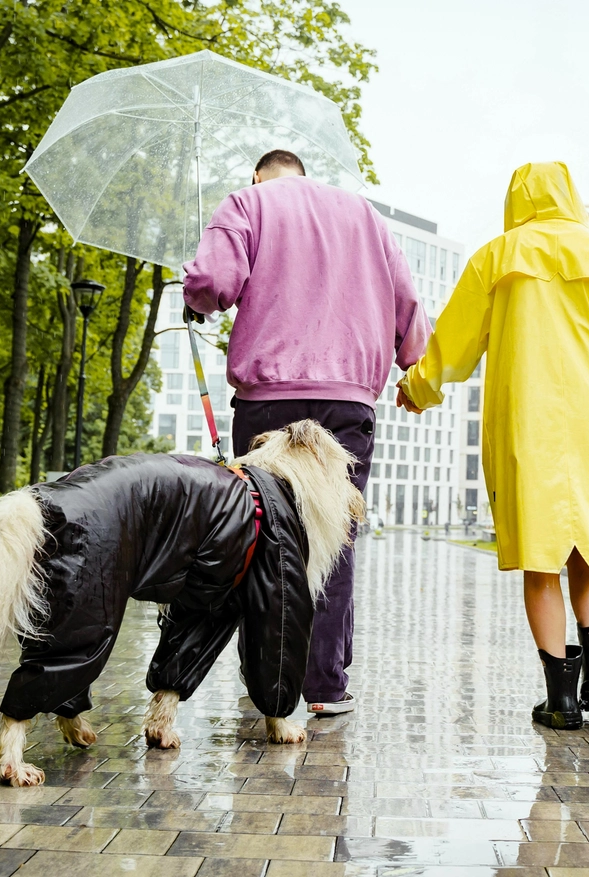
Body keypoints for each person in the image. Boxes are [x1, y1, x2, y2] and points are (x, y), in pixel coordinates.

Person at [396, 161, 589, 730]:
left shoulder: (496, 258)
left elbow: (453, 342)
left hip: (527, 423)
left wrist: (418, 388)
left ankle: (561, 699)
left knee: (541, 557)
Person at [183, 148, 429, 717]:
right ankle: (322, 686)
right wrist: (412, 363)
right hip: (348, 401)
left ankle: (268, 683)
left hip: (270, 403)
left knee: (259, 537)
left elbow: (213, 284)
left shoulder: (247, 203)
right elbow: (407, 303)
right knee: (334, 537)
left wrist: (195, 294)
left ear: (258, 176)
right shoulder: (364, 215)